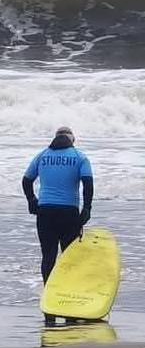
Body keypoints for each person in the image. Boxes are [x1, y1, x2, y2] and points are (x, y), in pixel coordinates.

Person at [22, 127, 93, 323]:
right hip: (69, 214)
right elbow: (88, 184)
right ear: (72, 140)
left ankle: (49, 301)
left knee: (48, 257)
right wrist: (86, 209)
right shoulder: (79, 156)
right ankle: (68, 302)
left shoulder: (42, 156)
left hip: (45, 212)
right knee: (69, 259)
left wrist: (32, 201)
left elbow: (26, 180)